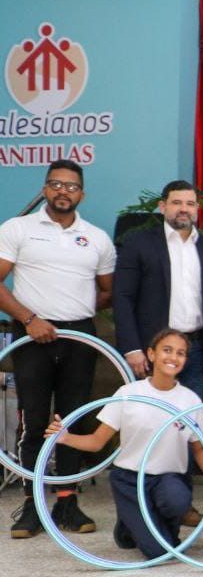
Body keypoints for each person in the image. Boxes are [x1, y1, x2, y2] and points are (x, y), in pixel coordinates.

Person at [0, 160, 114, 538]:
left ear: (82, 194)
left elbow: (107, 290)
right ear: (45, 189)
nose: (63, 191)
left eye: (71, 186)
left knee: (73, 421)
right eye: (55, 184)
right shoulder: (18, 229)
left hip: (79, 338)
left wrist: (75, 317)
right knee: (34, 421)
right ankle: (34, 507)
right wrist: (31, 319)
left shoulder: (96, 237)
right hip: (32, 334)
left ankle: (67, 503)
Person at [44, 329, 203, 559]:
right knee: (157, 552)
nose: (173, 358)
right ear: (151, 354)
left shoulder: (190, 400)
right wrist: (64, 437)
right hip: (130, 479)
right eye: (167, 350)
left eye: (181, 353)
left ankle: (149, 525)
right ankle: (130, 524)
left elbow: (199, 447)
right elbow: (97, 442)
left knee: (175, 502)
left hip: (170, 478)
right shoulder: (128, 393)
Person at [113, 180, 203, 398]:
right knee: (149, 416)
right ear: (163, 207)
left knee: (190, 419)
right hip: (151, 351)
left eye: (190, 204)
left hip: (195, 351)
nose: (184, 209)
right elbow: (123, 297)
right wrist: (132, 348)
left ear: (197, 209)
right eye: (177, 203)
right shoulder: (138, 244)